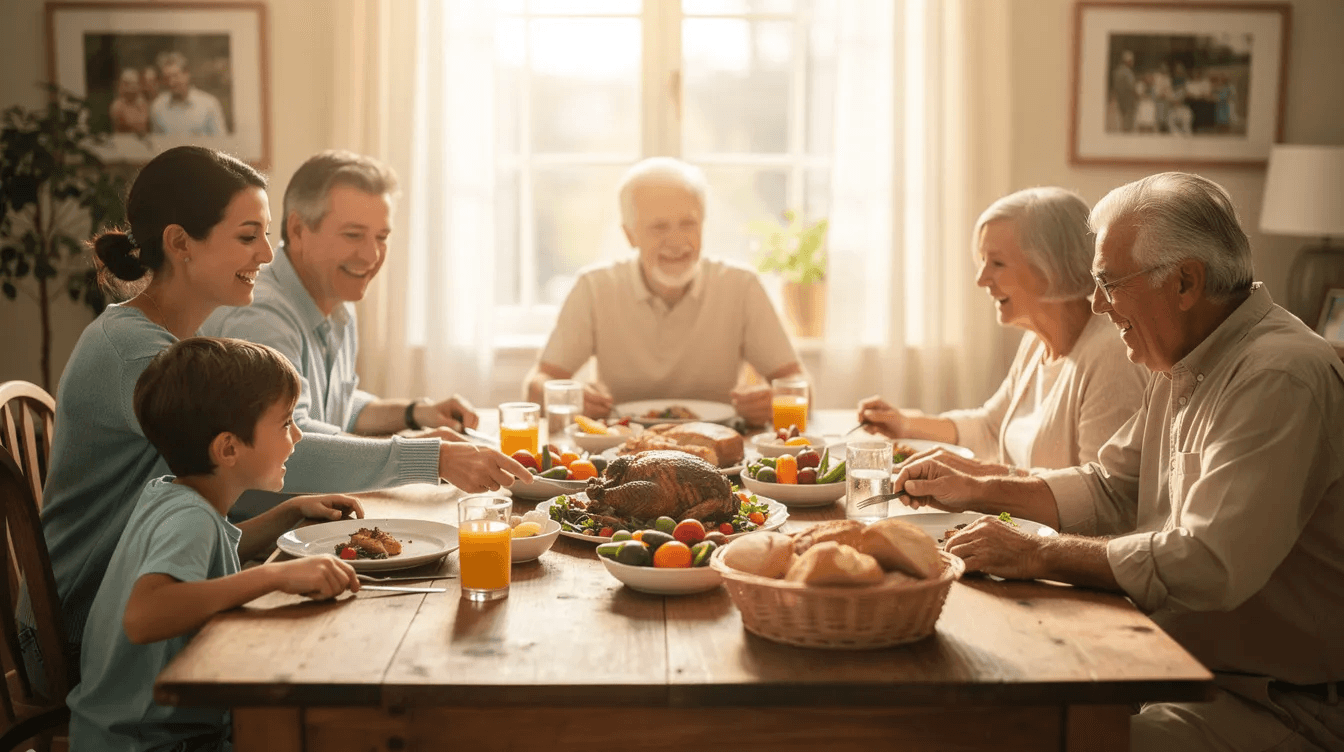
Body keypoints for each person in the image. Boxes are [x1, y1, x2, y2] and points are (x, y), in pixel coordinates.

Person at [32, 146, 528, 683]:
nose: (268, 256)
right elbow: (272, 447)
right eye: (248, 237)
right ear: (180, 244)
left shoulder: (182, 343)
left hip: (154, 591)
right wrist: (427, 456)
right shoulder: (139, 356)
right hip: (93, 629)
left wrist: (285, 516)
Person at [894, 173, 1344, 750]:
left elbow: (1208, 563)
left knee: (1022, 735)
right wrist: (976, 488)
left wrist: (1038, 552)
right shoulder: (1182, 358)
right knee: (981, 708)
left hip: (1277, 705)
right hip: (1183, 670)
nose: (1099, 304)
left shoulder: (1277, 375)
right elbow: (1110, 487)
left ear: (1184, 281)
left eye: (1108, 282)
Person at [67, 337, 363, 751]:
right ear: (228, 448)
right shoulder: (190, 519)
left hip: (118, 734)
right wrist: (274, 575)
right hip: (150, 743)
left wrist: (289, 511)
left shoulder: (173, 496)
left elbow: (205, 564)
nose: (296, 435)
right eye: (285, 423)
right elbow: (144, 615)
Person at [858, 187, 1147, 475]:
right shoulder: (1036, 343)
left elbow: (1101, 492)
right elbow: (990, 427)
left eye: (997, 263)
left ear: (1051, 267)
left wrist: (977, 479)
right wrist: (905, 424)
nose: (981, 279)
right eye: (982, 261)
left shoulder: (1111, 356)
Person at [203, 151, 480, 442]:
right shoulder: (260, 316)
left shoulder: (338, 299)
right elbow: (291, 442)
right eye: (353, 235)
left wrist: (416, 412)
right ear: (298, 230)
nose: (372, 256)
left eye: (382, 237)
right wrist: (422, 451)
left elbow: (335, 409)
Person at [523, 157, 806, 426]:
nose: (677, 241)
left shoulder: (741, 286)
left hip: (718, 452)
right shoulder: (594, 288)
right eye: (659, 227)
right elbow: (537, 384)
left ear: (703, 225)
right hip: (621, 452)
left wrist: (776, 401)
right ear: (630, 234)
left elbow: (801, 386)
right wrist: (569, 398)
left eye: (688, 223)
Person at [149, 51, 227, 137]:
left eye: (175, 76)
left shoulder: (209, 104)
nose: (171, 83)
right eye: (167, 78)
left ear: (187, 74)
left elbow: (221, 142)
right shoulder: (157, 106)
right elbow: (157, 145)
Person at [109, 67, 149, 135]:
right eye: (129, 83)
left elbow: (144, 125)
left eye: (136, 83)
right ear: (123, 85)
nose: (133, 86)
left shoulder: (143, 103)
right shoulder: (117, 106)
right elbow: (132, 124)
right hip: (124, 142)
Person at [1111, 50, 1138, 132]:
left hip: (1120, 101)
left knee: (1122, 126)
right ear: (1128, 61)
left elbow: (1115, 87)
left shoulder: (1117, 71)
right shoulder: (1128, 73)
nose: (1133, 62)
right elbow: (1132, 88)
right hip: (1129, 102)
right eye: (1132, 61)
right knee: (1128, 128)